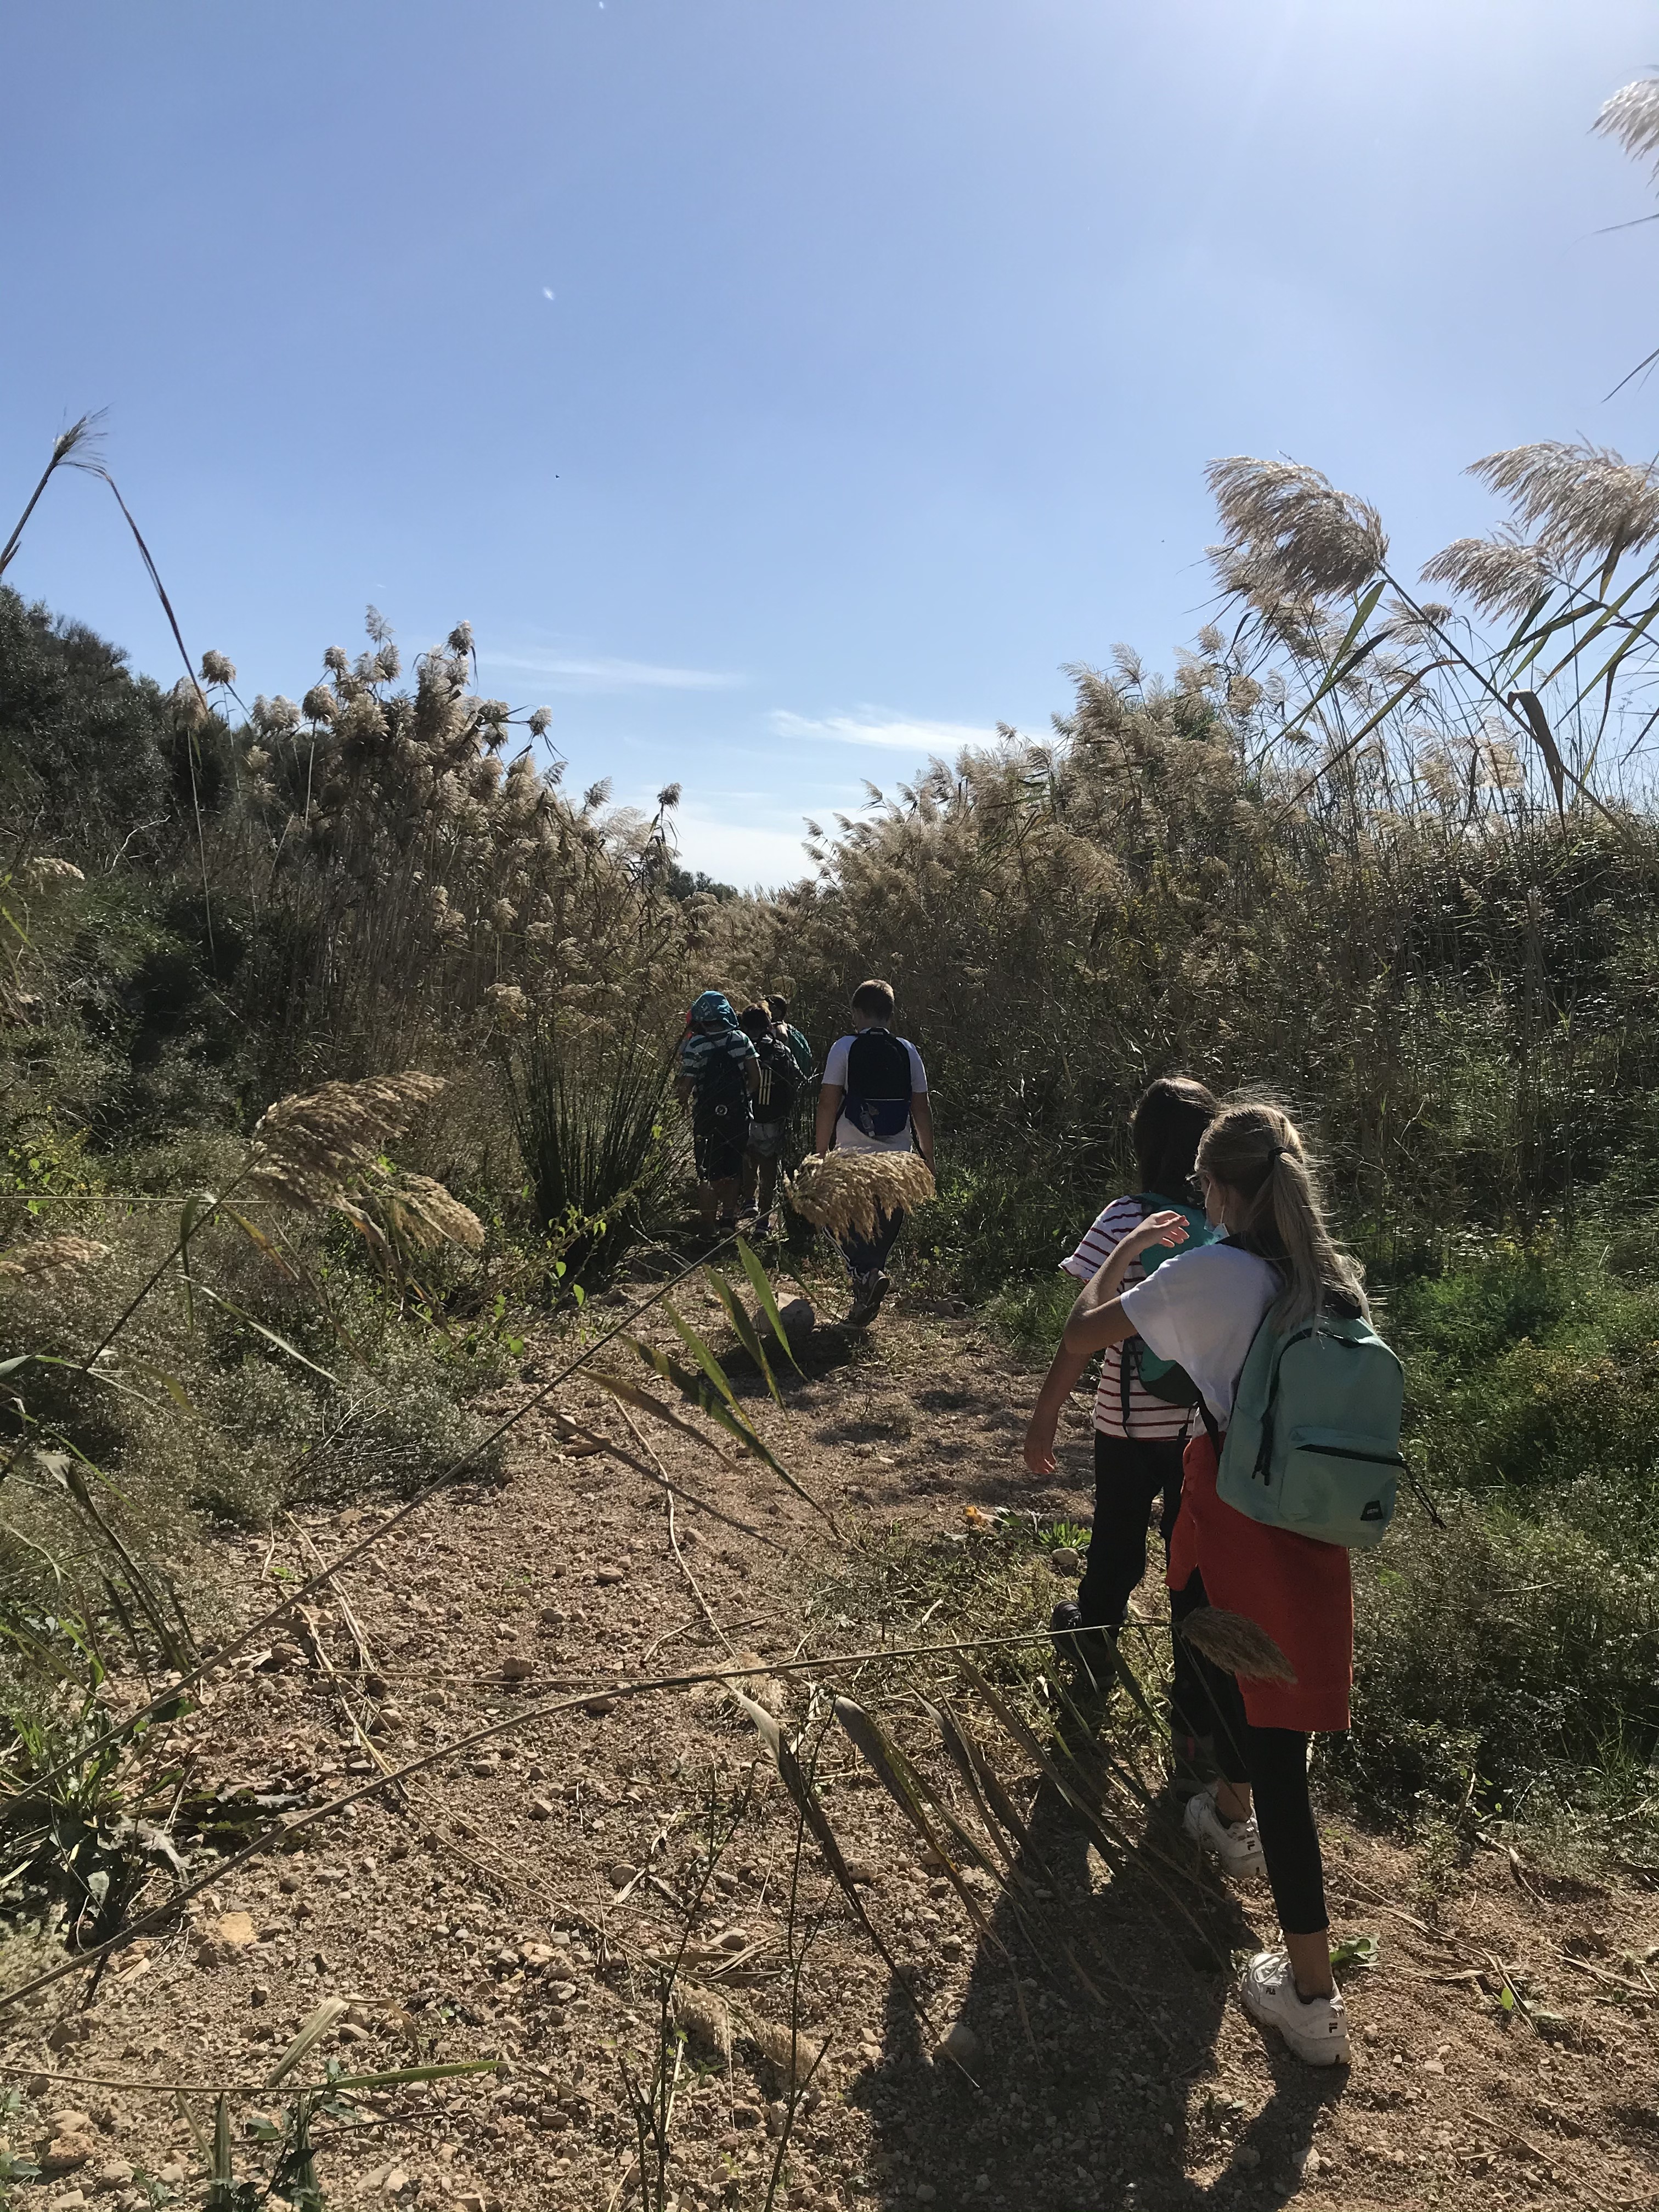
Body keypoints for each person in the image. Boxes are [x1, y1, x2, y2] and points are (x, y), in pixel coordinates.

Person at [1059, 1099, 1365, 2067]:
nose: (1197, 1197)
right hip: (1309, 1528)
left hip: (1240, 1529)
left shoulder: (1211, 1273)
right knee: (1236, 1675)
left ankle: (1309, 1997)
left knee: (1273, 1741)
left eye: (1202, 1186)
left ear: (1221, 1189)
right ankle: (1226, 1815)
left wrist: (1124, 1255)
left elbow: (1080, 1335)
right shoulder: (1325, 1277)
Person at [1022, 1077, 1220, 1750]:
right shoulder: (1226, 1224)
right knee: (1191, 1556)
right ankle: (1194, 1692)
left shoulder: (1124, 1219)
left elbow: (1085, 1330)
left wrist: (1046, 1413)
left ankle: (1094, 1636)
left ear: (1143, 1143)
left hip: (1128, 1419)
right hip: (1204, 1425)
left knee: (1116, 1538)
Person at [814, 978, 934, 1326]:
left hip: (852, 1156)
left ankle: (866, 1279)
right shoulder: (908, 1051)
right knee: (880, 1230)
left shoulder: (845, 1047)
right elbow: (922, 1110)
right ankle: (865, 1294)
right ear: (891, 1015)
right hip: (897, 1161)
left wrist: (820, 1155)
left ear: (857, 1013)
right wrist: (928, 1159)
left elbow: (827, 1103)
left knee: (832, 1220)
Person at [674, 990, 760, 1227]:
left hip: (707, 1116)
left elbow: (686, 1085)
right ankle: (728, 1219)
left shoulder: (696, 1044)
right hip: (738, 1117)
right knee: (733, 1169)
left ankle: (709, 1229)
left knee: (707, 1173)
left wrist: (683, 1105)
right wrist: (742, 1100)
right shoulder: (741, 1039)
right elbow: (755, 1078)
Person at [737, 1001, 805, 1231]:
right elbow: (798, 1078)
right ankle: (763, 1224)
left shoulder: (743, 1048)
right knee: (768, 1170)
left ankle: (749, 1202)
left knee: (748, 1159)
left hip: (748, 1116)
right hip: (775, 1119)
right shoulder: (782, 1050)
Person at [766, 994, 816, 1090]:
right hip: (794, 1081)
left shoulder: (776, 1030)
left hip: (780, 1082)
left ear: (777, 1012)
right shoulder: (793, 1030)